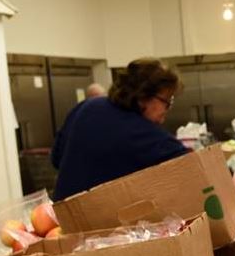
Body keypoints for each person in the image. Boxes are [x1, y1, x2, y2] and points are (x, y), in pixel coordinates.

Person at [51, 58, 189, 201]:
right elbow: (192, 170)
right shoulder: (145, 134)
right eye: (167, 102)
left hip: (60, 217)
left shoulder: (86, 106)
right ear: (143, 96)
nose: (167, 110)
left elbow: (56, 159)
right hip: (101, 220)